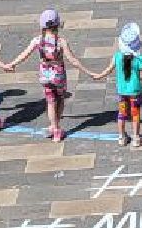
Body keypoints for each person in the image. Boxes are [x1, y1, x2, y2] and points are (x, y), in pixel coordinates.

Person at [13, 9, 95, 142]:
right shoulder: (61, 42)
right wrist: (89, 72)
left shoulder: (37, 41)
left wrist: (12, 64)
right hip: (58, 76)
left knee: (50, 102)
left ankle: (54, 127)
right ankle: (57, 128)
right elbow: (73, 60)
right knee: (60, 98)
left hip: (45, 76)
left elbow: (24, 54)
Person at [103, 22, 142, 146]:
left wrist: (99, 75)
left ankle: (121, 137)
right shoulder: (138, 60)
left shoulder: (117, 57)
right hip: (135, 92)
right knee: (135, 114)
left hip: (122, 93)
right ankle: (136, 138)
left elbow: (108, 69)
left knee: (122, 114)